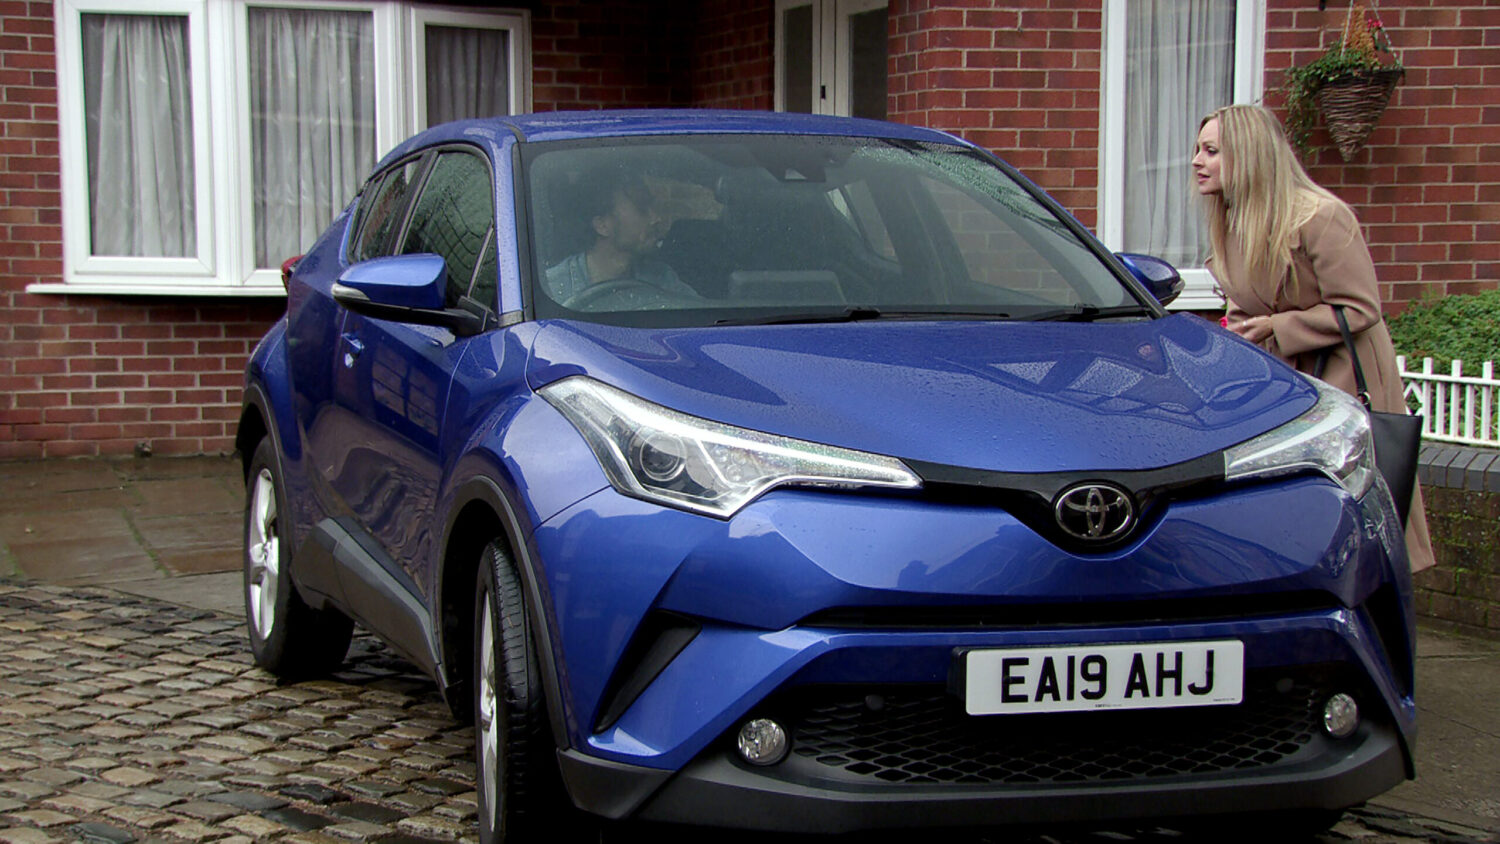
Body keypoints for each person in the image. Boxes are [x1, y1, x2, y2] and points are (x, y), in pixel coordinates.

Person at [1192, 103, 1434, 573]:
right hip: (1283, 376)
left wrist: (1278, 329)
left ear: (1248, 155)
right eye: (1197, 150)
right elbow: (1246, 305)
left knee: (1349, 492)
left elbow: (1360, 308)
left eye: (1211, 151)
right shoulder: (1234, 224)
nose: (1197, 162)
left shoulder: (1321, 217)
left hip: (1342, 369)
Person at [545, 167, 698, 307]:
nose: (656, 218)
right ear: (602, 225)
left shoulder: (661, 279)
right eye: (642, 209)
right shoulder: (553, 289)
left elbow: (696, 314)